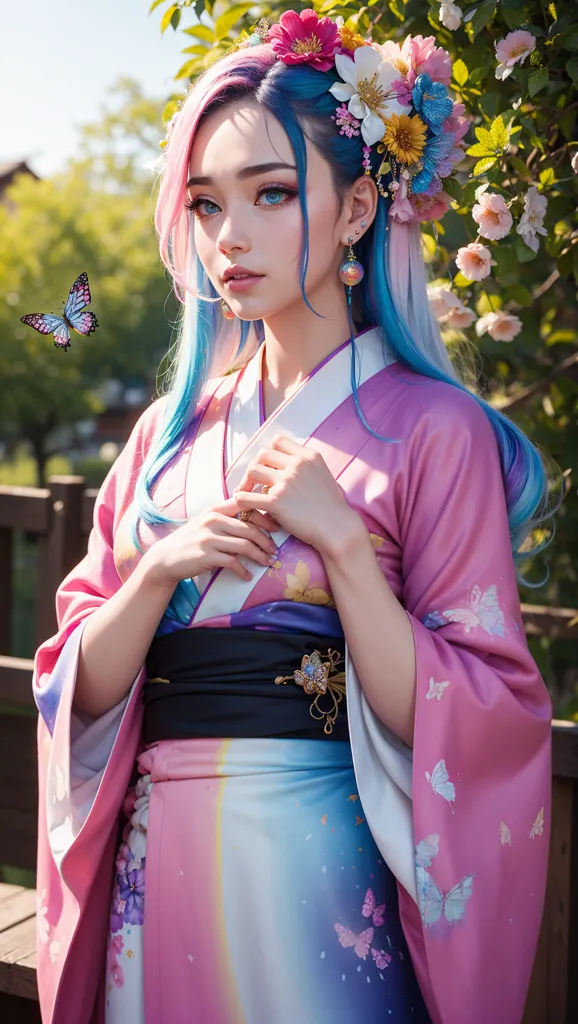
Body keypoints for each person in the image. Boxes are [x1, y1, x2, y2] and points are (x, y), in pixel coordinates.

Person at [33, 10, 553, 1024]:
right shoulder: (161, 443)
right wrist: (151, 575)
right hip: (160, 852)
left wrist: (347, 552)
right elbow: (73, 688)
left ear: (359, 205)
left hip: (325, 866)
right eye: (207, 203)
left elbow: (482, 713)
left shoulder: (437, 431)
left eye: (272, 194)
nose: (231, 236)